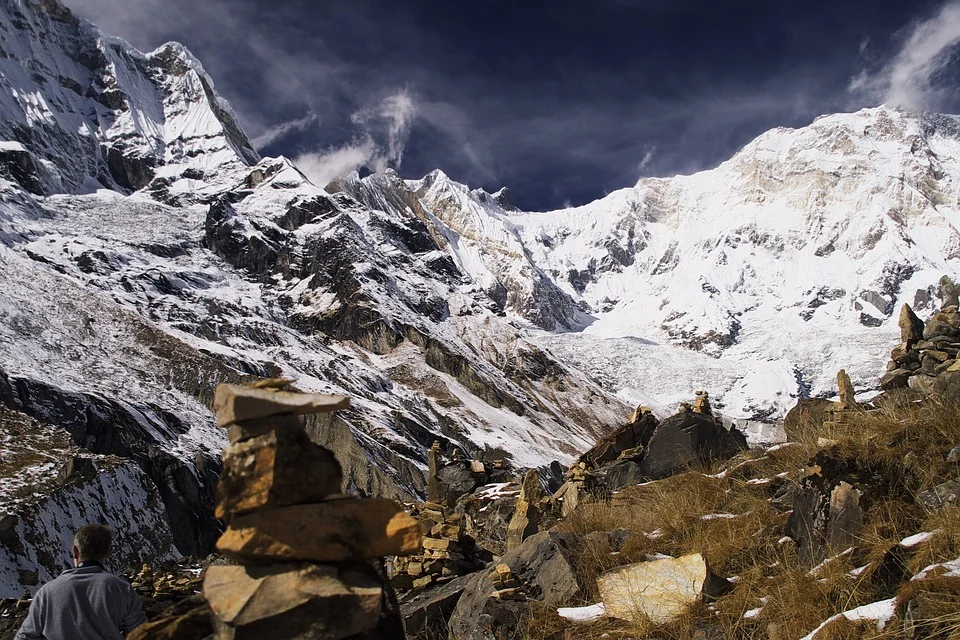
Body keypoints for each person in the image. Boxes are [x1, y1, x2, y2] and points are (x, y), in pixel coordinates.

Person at [15, 524, 146, 639]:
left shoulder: (47, 592)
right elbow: (142, 634)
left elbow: (25, 636)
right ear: (108, 552)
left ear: (75, 551)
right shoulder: (121, 589)